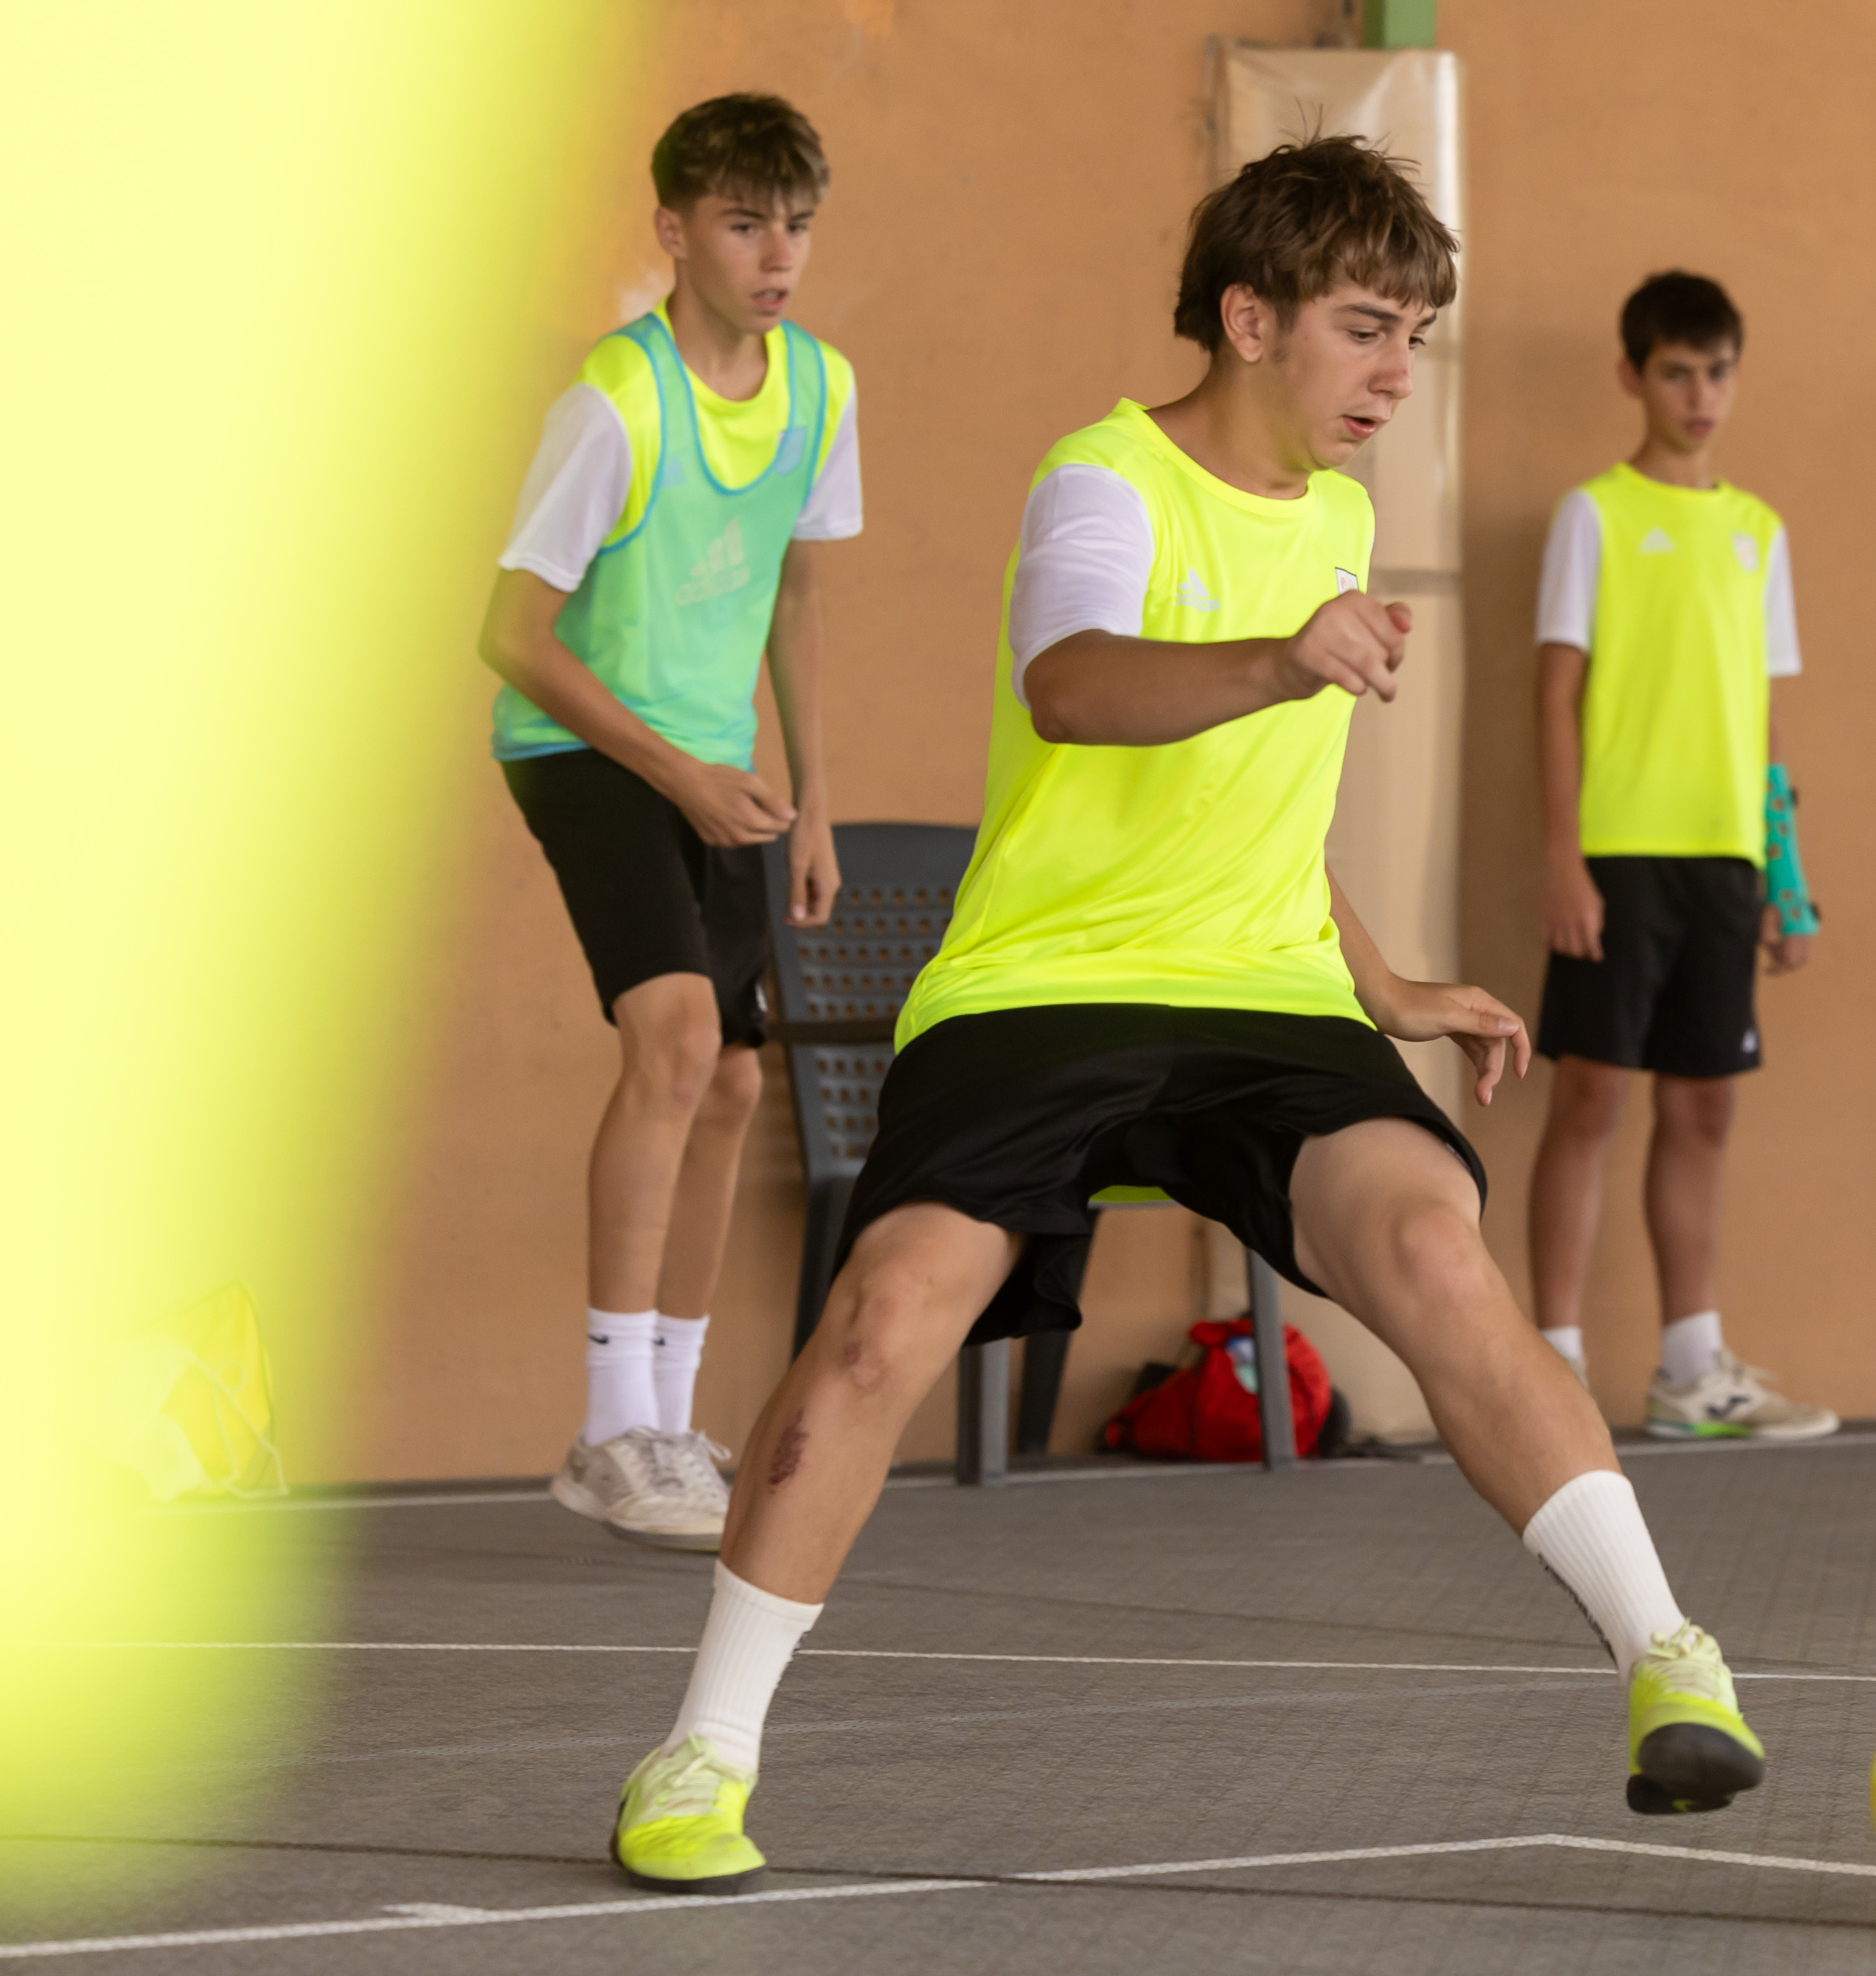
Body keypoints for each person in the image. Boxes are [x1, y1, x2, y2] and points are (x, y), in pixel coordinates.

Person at [604, 138, 1768, 1895]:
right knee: (885, 1317)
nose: (1396, 374)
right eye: (1365, 328)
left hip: (1265, 990)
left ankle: (1667, 1654)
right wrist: (1282, 656)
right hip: (1042, 984)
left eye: (1415, 338)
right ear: (1249, 318)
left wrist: (1385, 982)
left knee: (1433, 1250)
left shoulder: (1342, 520)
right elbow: (1073, 684)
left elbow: (1265, 811)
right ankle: (702, 1751)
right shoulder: (1104, 478)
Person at [478, 94, 857, 1550]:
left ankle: (671, 1424)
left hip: (718, 766)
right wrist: (681, 776)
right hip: (583, 746)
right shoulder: (615, 403)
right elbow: (514, 635)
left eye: (797, 225)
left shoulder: (819, 390)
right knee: (680, 1040)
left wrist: (811, 802)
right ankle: (607, 1430)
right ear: (675, 231)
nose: (778, 254)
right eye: (745, 224)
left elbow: (800, 592)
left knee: (736, 1085)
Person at [1523, 272, 1836, 1442]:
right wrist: (1563, 857)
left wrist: (1783, 880)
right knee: (1590, 1099)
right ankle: (1551, 1369)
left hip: (1725, 863)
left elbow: (1763, 718)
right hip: (1616, 856)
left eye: (1716, 372)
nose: (1698, 395)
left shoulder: (1758, 531)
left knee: (1704, 1111)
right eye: (1675, 372)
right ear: (1633, 376)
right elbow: (1554, 697)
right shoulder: (1592, 515)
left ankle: (1690, 1370)